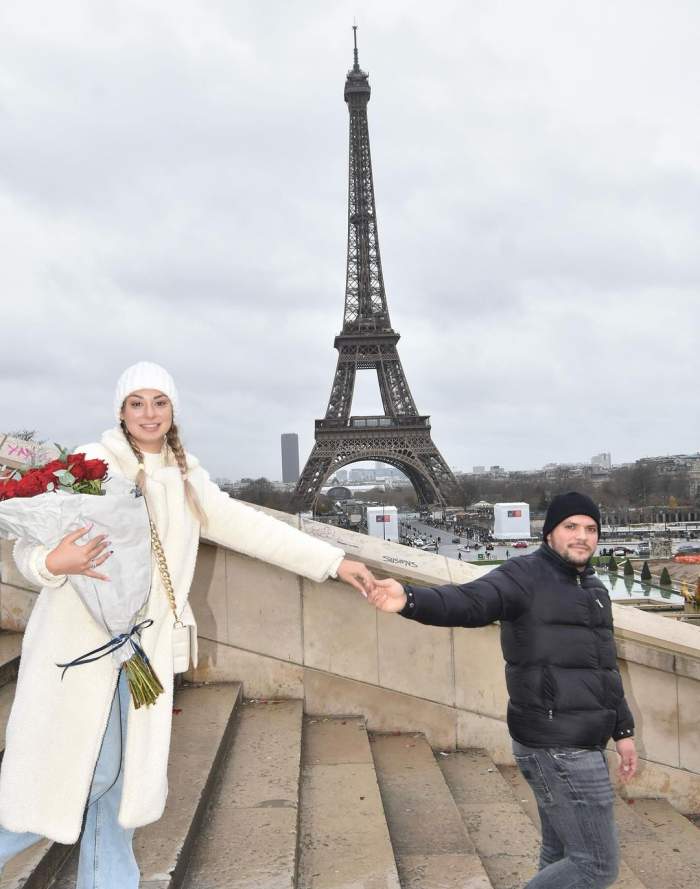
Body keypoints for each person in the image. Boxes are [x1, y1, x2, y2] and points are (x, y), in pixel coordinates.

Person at [0, 361, 376, 889]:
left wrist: (333, 562)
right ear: (121, 411)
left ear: (173, 410)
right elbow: (25, 544)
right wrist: (51, 564)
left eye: (159, 402)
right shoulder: (90, 464)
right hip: (77, 648)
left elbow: (252, 529)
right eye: (137, 402)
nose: (149, 413)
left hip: (141, 651)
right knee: (81, 776)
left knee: (122, 788)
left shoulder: (187, 477)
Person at [366, 491, 637, 889]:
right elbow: (470, 602)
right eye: (571, 527)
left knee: (561, 854)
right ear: (549, 534)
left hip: (582, 739)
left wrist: (623, 732)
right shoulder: (523, 575)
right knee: (596, 866)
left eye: (591, 528)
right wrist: (409, 599)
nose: (582, 536)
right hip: (557, 745)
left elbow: (604, 669)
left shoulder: (593, 590)